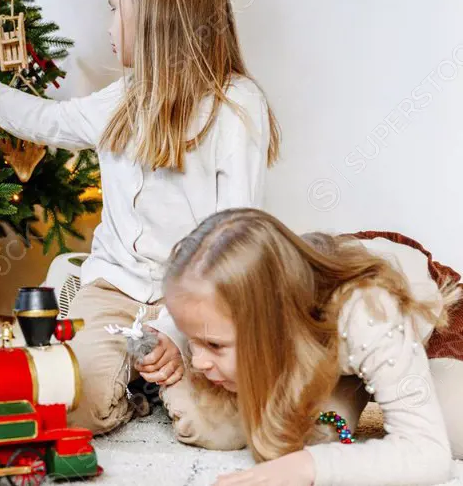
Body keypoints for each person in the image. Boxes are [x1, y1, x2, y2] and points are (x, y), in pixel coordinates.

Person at [0, 0, 281, 434]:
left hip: (192, 301)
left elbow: (236, 244)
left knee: (210, 428)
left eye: (116, 9)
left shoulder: (236, 106)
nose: (108, 24)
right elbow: (45, 121)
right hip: (113, 287)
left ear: (157, 16)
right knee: (75, 408)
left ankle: (158, 379)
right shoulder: (123, 97)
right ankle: (132, 388)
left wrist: (170, 333)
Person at [157, 208, 462, 486]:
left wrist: (310, 467)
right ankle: (348, 386)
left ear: (275, 323)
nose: (198, 362)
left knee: (452, 427)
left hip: (431, 316)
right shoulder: (239, 303)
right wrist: (168, 332)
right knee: (244, 430)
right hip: (321, 331)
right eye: (193, 341)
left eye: (213, 345)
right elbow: (200, 303)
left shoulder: (368, 310)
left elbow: (428, 454)